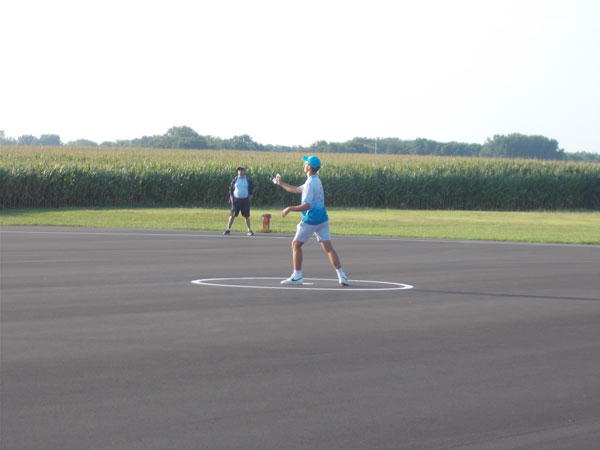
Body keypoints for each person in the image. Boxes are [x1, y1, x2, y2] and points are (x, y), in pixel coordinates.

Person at [274, 155, 349, 286]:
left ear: (309, 167)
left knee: (295, 245)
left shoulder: (310, 183)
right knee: (329, 248)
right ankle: (342, 276)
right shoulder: (315, 180)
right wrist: (281, 183)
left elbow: (307, 205)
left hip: (310, 220)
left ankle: (297, 276)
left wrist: (289, 208)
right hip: (322, 219)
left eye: (306, 163)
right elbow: (297, 189)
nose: (304, 165)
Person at [224, 166, 254, 236]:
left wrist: (248, 200)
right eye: (239, 170)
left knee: (246, 216)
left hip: (245, 200)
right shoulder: (235, 180)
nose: (240, 172)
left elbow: (251, 191)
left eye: (241, 170)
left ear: (244, 171)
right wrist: (232, 201)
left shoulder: (247, 180)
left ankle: (249, 230)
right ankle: (228, 229)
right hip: (236, 200)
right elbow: (231, 191)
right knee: (232, 215)